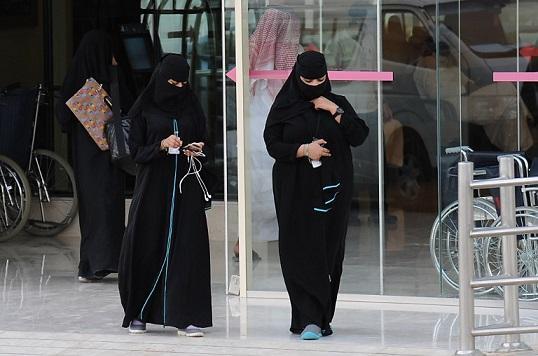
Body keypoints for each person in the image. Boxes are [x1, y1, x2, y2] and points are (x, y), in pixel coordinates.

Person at [264, 51, 369, 340]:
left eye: (320, 79)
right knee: (298, 251)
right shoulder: (284, 106)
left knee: (328, 252)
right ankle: (307, 318)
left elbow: (359, 136)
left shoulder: (338, 104)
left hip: (332, 191)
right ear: (297, 77)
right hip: (294, 190)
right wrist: (302, 150)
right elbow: (272, 143)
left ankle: (322, 317)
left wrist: (333, 111)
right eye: (307, 80)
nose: (313, 85)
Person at [118, 54, 212, 336]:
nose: (178, 88)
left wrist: (196, 149)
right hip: (152, 190)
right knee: (146, 245)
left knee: (186, 249)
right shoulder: (143, 109)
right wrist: (160, 145)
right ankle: (139, 312)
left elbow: (205, 140)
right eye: (172, 82)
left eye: (183, 83)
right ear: (160, 79)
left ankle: (184, 315)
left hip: (186, 188)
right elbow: (134, 153)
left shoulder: (191, 105)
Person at [56, 30, 131, 282]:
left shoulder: (78, 80)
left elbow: (63, 116)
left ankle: (92, 263)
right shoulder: (110, 80)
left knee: (93, 208)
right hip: (109, 155)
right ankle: (102, 262)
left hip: (87, 158)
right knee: (108, 206)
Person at [232, 5, 302, 259]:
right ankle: (247, 243)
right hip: (265, 139)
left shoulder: (261, 72)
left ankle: (249, 242)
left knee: (265, 189)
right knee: (263, 189)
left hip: (263, 135)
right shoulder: (266, 79)